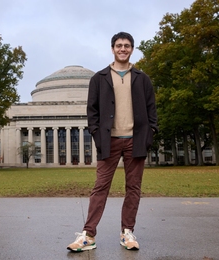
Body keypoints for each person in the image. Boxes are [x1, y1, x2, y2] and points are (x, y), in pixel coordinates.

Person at [67, 32, 158, 252]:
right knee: (100, 187)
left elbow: (151, 111)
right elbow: (93, 112)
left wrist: (149, 135)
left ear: (132, 49)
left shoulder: (142, 78)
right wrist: (98, 135)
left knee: (133, 188)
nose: (123, 49)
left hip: (135, 141)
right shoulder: (99, 78)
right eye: (119, 45)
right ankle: (88, 235)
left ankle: (127, 232)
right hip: (110, 141)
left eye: (127, 46)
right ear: (112, 49)